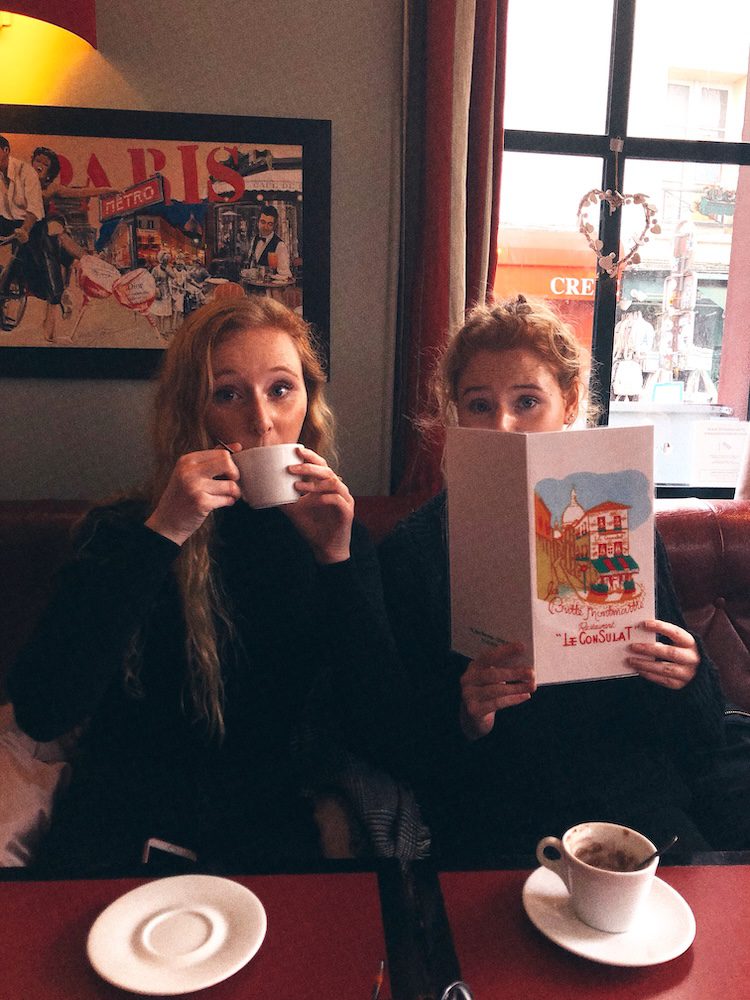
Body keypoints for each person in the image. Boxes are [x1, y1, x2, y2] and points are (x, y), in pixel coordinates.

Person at [7, 295, 410, 875]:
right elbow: (42, 710)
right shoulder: (124, 533)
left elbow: (385, 736)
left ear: (308, 404)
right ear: (192, 412)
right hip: (122, 821)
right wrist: (163, 533)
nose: (262, 419)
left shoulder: (336, 539)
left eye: (280, 389)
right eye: (227, 393)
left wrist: (337, 559)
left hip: (261, 830)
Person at [378, 294, 733, 864]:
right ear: (456, 415)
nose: (502, 425)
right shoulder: (415, 548)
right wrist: (465, 715)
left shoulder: (618, 523)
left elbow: (703, 738)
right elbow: (402, 739)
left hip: (632, 806)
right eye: (478, 405)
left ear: (568, 403)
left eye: (526, 401)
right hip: (497, 811)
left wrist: (687, 676)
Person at [247, 204, 292, 279]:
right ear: (258, 222)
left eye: (270, 224)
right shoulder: (255, 239)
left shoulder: (280, 245)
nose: (265, 227)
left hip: (270, 290)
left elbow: (285, 275)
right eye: (263, 222)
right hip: (253, 288)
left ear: (274, 225)